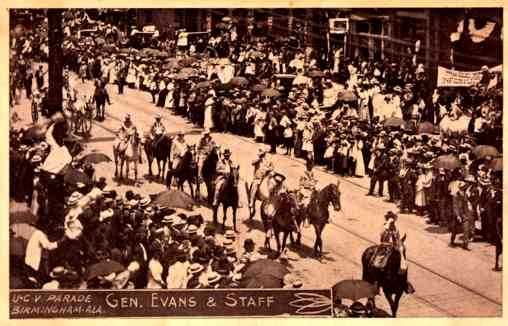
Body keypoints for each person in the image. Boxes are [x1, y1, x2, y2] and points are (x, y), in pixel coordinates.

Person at [297, 158, 318, 227]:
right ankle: (306, 219)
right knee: (306, 204)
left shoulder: (314, 173)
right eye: (309, 165)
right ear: (307, 166)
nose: (310, 166)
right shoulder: (303, 173)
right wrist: (303, 192)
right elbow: (300, 184)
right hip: (305, 191)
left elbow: (316, 182)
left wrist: (317, 188)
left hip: (312, 190)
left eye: (311, 165)